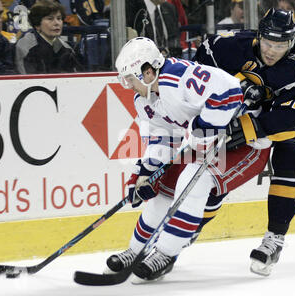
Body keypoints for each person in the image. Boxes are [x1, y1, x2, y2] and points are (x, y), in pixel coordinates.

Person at [104, 36, 271, 282]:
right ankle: (136, 250)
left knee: (194, 181)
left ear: (147, 72)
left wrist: (202, 134)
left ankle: (164, 253)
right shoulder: (145, 100)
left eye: (130, 79)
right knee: (160, 190)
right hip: (210, 143)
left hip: (245, 143)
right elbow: (162, 139)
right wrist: (143, 175)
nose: (127, 85)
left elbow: (227, 93)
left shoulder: (177, 79)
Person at [193, 8, 295, 276]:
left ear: (291, 42)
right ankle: (186, 231)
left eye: (279, 45)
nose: (271, 50)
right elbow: (201, 64)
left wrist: (248, 125)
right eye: (267, 42)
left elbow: (289, 119)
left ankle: (274, 240)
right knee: (215, 168)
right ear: (259, 36)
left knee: (288, 157)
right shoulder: (227, 46)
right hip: (251, 117)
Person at [14, 0, 83, 74]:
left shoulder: (67, 47)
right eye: (50, 19)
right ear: (37, 24)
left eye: (59, 18)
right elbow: (27, 80)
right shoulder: (25, 46)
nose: (57, 23)